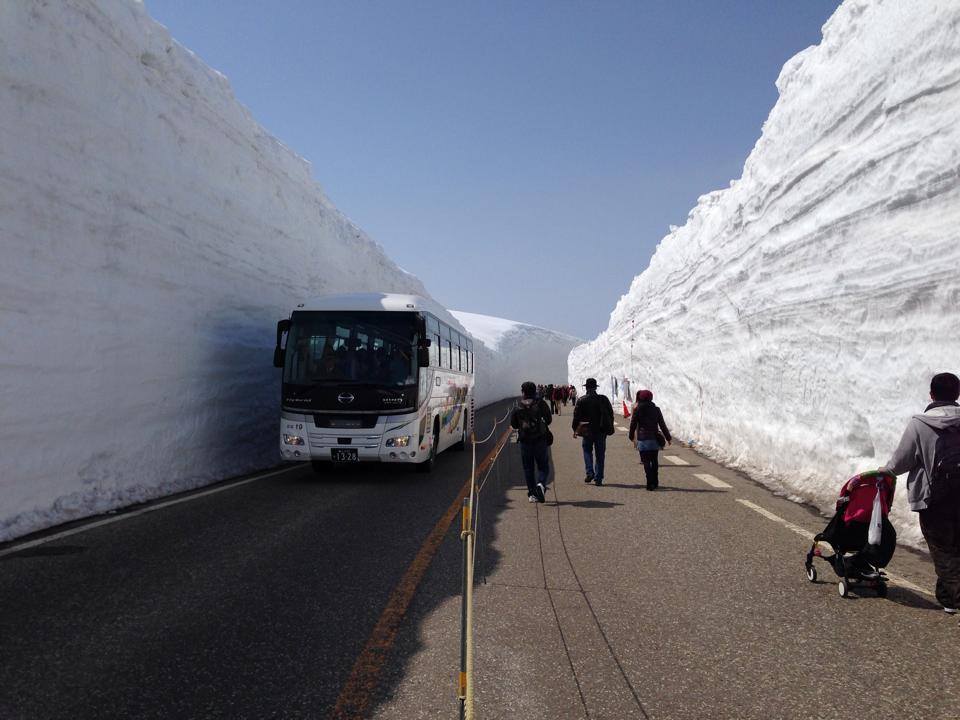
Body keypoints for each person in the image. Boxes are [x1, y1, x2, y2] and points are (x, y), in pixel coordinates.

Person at [882, 372, 960, 614]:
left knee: (943, 549)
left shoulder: (920, 424)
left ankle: (956, 596)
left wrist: (882, 473)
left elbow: (900, 462)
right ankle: (947, 597)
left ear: (931, 394)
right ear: (957, 394)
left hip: (934, 500)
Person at [510, 381, 552, 503]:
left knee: (528, 468)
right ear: (535, 391)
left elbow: (513, 424)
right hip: (540, 440)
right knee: (543, 466)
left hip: (525, 441)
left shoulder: (518, 405)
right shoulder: (540, 403)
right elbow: (549, 420)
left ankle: (532, 494)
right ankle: (541, 485)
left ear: (523, 391)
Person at [572, 378, 614, 486]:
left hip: (587, 431)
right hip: (601, 431)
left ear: (586, 387)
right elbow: (610, 414)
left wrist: (575, 429)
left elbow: (576, 417)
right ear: (596, 387)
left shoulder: (581, 400)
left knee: (587, 451)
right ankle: (598, 478)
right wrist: (608, 426)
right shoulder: (603, 399)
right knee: (600, 454)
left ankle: (590, 472)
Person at [628, 389, 672, 490]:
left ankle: (649, 482)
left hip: (642, 439)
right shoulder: (656, 409)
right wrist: (668, 438)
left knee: (646, 461)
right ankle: (655, 481)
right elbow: (662, 424)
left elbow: (633, 424)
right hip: (654, 438)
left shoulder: (637, 409)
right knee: (654, 461)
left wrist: (631, 436)